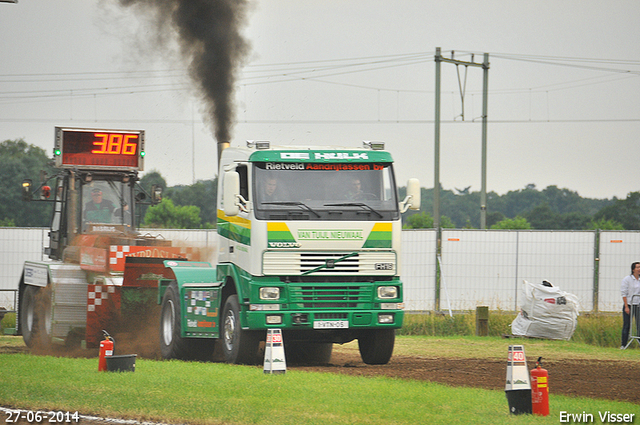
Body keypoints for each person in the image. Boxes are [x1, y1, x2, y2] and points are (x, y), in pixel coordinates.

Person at [620, 261, 640, 348]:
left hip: (638, 304)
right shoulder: (627, 279)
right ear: (633, 269)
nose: (639, 269)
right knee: (627, 325)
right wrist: (626, 307)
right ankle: (623, 344)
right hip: (629, 304)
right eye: (637, 267)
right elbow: (624, 293)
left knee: (639, 325)